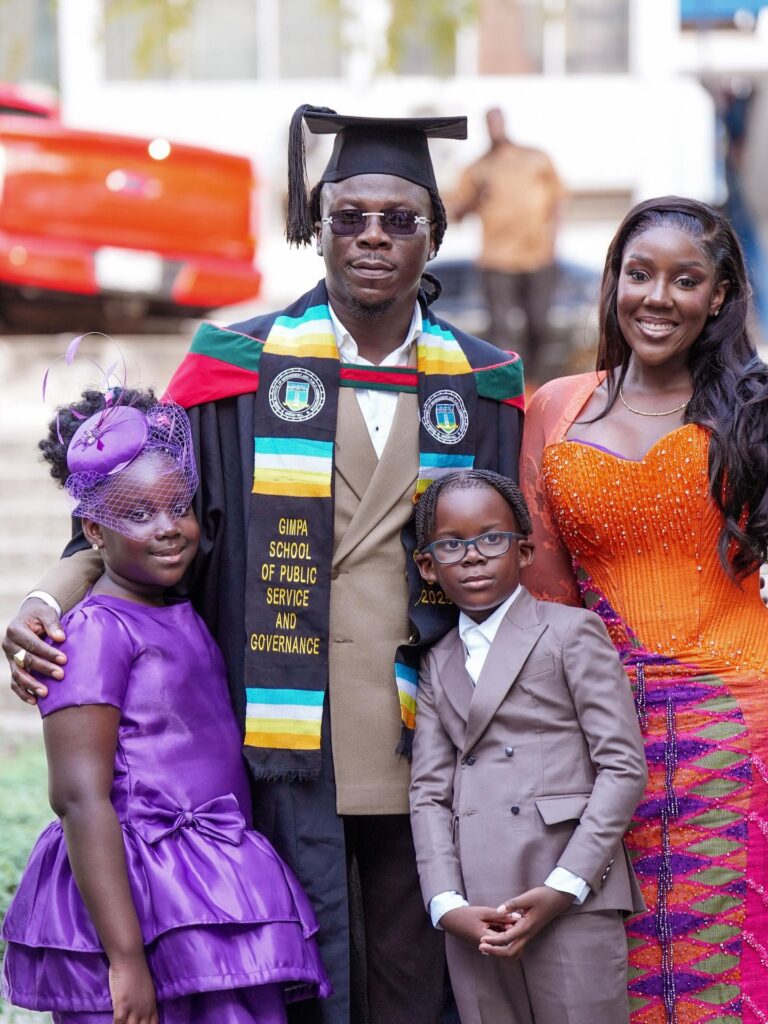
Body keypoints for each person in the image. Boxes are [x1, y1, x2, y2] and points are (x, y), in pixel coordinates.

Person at [2, 105, 525, 1024]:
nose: (371, 238)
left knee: (416, 990)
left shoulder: (482, 384)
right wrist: (46, 599)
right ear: (312, 229)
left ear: (434, 235)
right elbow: (130, 516)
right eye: (346, 217)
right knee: (300, 983)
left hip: (435, 743)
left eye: (398, 220)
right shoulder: (234, 369)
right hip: (277, 743)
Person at [1, 386, 329, 1024]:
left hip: (208, 881)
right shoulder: (95, 632)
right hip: (143, 893)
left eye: (178, 506)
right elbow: (79, 797)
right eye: (138, 514)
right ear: (93, 530)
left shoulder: (180, 606)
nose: (168, 529)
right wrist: (125, 960)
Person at [520, 196, 768, 1023]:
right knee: (621, 968)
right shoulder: (556, 406)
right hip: (608, 736)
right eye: (639, 273)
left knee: (734, 960)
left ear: (721, 297)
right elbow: (543, 593)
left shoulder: (753, 412)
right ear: (613, 283)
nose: (658, 297)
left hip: (745, 722)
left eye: (686, 279)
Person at [409, 469, 647, 1024]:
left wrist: (565, 885)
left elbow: (622, 767)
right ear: (428, 564)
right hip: (477, 910)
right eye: (451, 544)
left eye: (491, 539)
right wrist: (446, 905)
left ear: (523, 551)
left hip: (568, 891)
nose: (472, 557)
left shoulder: (570, 632)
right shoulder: (435, 662)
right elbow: (428, 794)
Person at [450, 107, 566, 384]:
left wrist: (553, 240)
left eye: (498, 121)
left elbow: (558, 199)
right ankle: (506, 382)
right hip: (497, 259)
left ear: (505, 122)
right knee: (502, 329)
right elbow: (456, 212)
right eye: (489, 123)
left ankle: (535, 382)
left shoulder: (536, 158)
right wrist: (476, 195)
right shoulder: (477, 168)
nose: (495, 127)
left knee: (539, 322)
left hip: (537, 255)